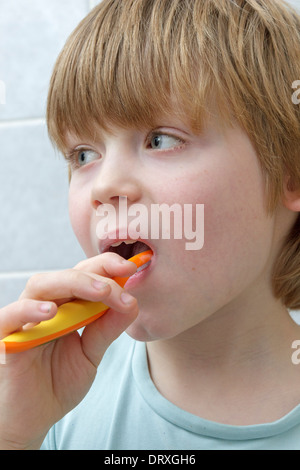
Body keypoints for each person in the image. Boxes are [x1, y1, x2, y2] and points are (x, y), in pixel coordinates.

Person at [1, 0, 300, 450]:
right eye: (83, 154)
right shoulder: (52, 404)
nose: (104, 184)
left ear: (289, 173)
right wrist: (13, 434)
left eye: (160, 140)